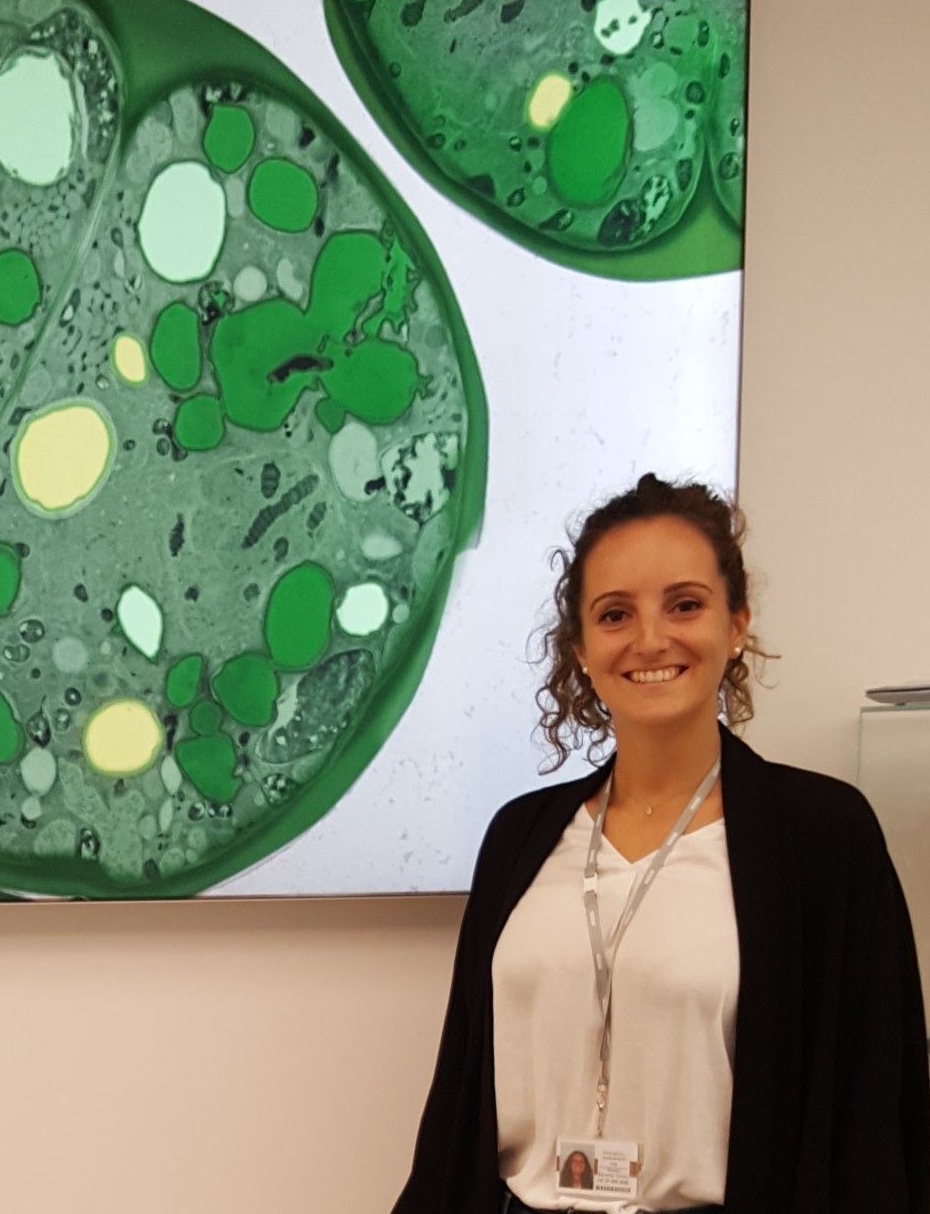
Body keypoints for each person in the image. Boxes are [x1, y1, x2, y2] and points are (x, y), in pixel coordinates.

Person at [391, 474, 930, 1213]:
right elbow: (457, 1100)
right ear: (580, 648)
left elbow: (874, 1107)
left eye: (684, 604)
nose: (651, 638)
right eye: (615, 614)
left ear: (736, 623)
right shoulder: (520, 836)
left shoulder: (824, 839)